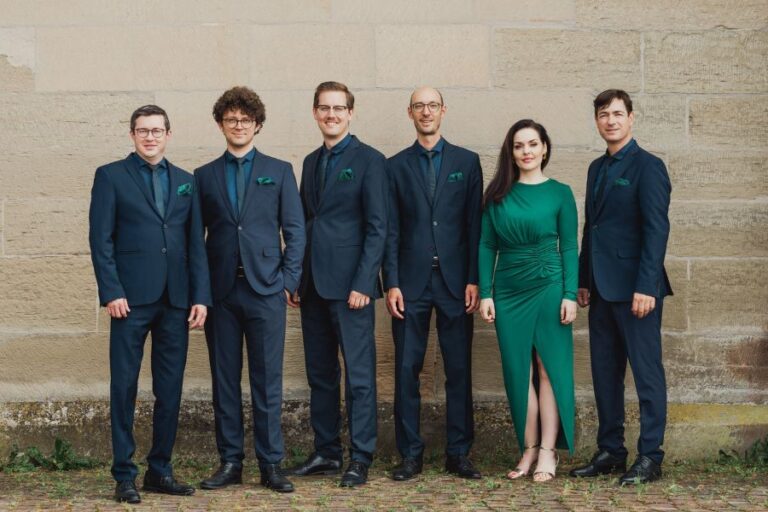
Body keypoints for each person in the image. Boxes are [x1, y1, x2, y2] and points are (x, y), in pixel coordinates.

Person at [89, 105, 211, 504]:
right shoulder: (110, 176)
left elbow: (195, 244)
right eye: (143, 130)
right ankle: (124, 474)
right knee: (124, 387)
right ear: (132, 135)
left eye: (157, 130)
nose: (150, 137)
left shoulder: (187, 182)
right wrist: (111, 291)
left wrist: (200, 296)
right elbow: (101, 239)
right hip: (129, 300)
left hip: (176, 300)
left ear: (168, 135)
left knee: (170, 389)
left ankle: (160, 469)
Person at [195, 87, 305, 493]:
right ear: (220, 124)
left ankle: (271, 464)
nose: (238, 125)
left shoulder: (279, 170)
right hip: (221, 293)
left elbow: (295, 231)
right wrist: (200, 293)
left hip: (266, 290)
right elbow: (195, 241)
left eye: (245, 119)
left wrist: (288, 281)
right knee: (224, 380)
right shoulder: (204, 176)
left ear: (257, 125)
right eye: (231, 119)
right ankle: (230, 462)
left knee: (267, 380)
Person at [569, 89, 672, 485]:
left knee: (647, 374)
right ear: (597, 121)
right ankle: (611, 450)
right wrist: (583, 279)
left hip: (637, 292)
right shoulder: (596, 168)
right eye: (603, 114)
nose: (610, 121)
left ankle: (651, 456)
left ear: (631, 118)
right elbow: (590, 228)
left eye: (617, 113)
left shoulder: (649, 167)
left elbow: (656, 230)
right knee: (605, 374)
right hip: (600, 289)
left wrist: (646, 286)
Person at [288, 81, 387, 487]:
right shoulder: (311, 161)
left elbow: (378, 227)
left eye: (339, 108)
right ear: (315, 113)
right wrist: (296, 277)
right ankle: (326, 452)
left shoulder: (370, 160)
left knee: (359, 377)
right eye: (324, 108)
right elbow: (303, 224)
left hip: (352, 290)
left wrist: (364, 282)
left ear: (350, 113)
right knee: (320, 374)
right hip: (312, 285)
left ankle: (361, 456)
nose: (331, 115)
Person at [383, 87, 483, 481]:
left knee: (459, 369)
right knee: (406, 369)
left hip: (456, 283)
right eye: (419, 106)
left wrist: (474, 278)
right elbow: (390, 229)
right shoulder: (394, 166)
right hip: (410, 284)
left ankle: (459, 453)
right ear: (410, 113)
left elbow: (474, 225)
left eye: (433, 105)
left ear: (443, 110)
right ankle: (410, 455)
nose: (426, 112)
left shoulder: (466, 162)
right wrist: (391, 282)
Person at [478, 119, 577, 482]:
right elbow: (486, 245)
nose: (526, 151)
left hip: (549, 285)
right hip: (508, 291)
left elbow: (570, 246)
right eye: (519, 146)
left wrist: (570, 294)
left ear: (544, 148)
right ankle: (529, 447)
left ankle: (549, 451)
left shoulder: (561, 193)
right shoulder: (496, 195)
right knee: (519, 370)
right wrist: (485, 293)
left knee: (549, 368)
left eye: (533, 144)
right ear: (511, 152)